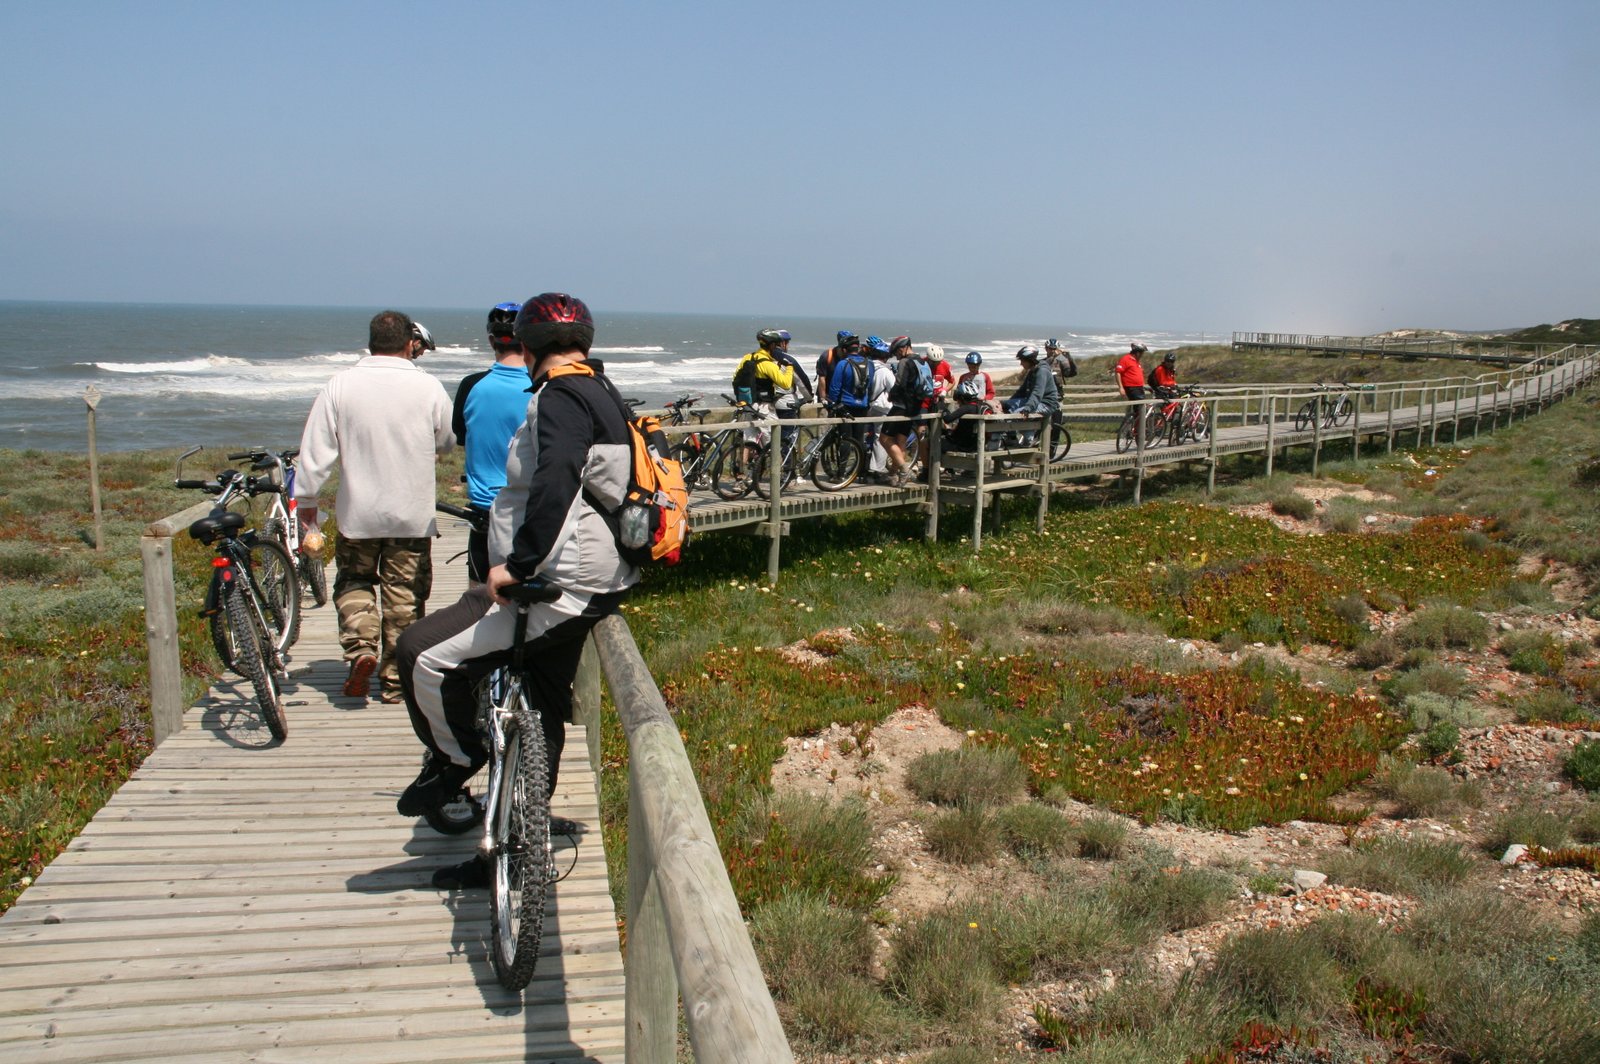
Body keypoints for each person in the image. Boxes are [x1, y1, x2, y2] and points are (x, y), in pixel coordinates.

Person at [393, 292, 637, 889]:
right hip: (592, 578)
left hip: (558, 583)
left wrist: (520, 565)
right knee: (545, 703)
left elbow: (557, 479)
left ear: (525, 347)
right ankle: (518, 842)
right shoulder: (600, 388)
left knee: (420, 653)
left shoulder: (561, 396)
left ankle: (458, 760)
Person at [295, 310, 454, 703]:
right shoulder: (428, 386)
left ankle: (361, 649)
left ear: (370, 344)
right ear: (409, 343)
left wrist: (307, 501)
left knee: (354, 582)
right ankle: (396, 680)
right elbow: (447, 441)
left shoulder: (340, 385)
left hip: (358, 513)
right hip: (411, 515)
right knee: (405, 597)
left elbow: (316, 450)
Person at [451, 302, 531, 583]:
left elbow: (461, 437)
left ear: (491, 340)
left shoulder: (471, 386)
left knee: (478, 597)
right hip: (528, 510)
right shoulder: (542, 387)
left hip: (484, 511)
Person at [730, 328, 795, 463]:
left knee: (750, 440)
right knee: (773, 439)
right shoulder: (767, 364)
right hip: (763, 406)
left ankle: (744, 471)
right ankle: (778, 471)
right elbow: (785, 384)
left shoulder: (747, 358)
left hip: (747, 404)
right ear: (772, 345)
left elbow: (735, 377)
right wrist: (789, 368)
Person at [1002, 345, 1060, 444]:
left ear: (1030, 360)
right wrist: (1007, 403)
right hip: (1035, 401)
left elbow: (1037, 393)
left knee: (1017, 414)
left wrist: (1027, 408)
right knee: (1007, 408)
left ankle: (1028, 441)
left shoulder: (1042, 371)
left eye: (1022, 361)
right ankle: (1012, 439)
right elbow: (1021, 391)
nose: (1021, 363)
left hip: (1046, 403)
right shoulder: (1032, 371)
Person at [1113, 342, 1150, 442]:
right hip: (1132, 388)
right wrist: (1121, 387)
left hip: (1139, 388)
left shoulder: (1136, 361)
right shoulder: (1126, 359)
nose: (1142, 355)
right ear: (1137, 352)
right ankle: (1138, 432)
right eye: (1142, 353)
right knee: (1141, 409)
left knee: (1140, 411)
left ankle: (1137, 430)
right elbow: (1118, 372)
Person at [815, 330, 858, 403]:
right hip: (827, 395)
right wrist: (823, 398)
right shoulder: (827, 356)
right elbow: (822, 378)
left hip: (845, 396)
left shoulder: (852, 356)